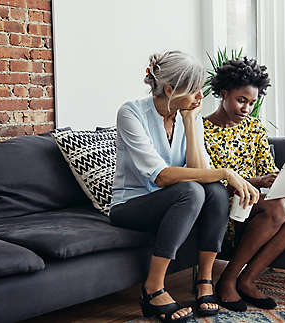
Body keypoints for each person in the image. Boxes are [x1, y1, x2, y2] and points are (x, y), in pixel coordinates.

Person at [109, 51, 260, 322]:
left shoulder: (187, 114)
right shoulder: (131, 112)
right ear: (169, 90)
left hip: (173, 200)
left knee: (213, 190)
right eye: (194, 91)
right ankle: (152, 287)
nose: (200, 98)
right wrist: (228, 172)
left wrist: (190, 124)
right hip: (131, 205)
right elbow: (162, 177)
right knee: (192, 190)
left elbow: (202, 172)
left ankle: (204, 281)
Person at [203, 57, 285, 312]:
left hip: (253, 202)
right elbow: (206, 176)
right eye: (241, 100)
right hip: (223, 205)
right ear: (223, 93)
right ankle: (228, 279)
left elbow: (268, 170)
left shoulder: (254, 127)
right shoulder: (202, 129)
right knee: (280, 209)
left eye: (251, 103)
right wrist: (255, 181)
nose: (246, 108)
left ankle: (247, 278)